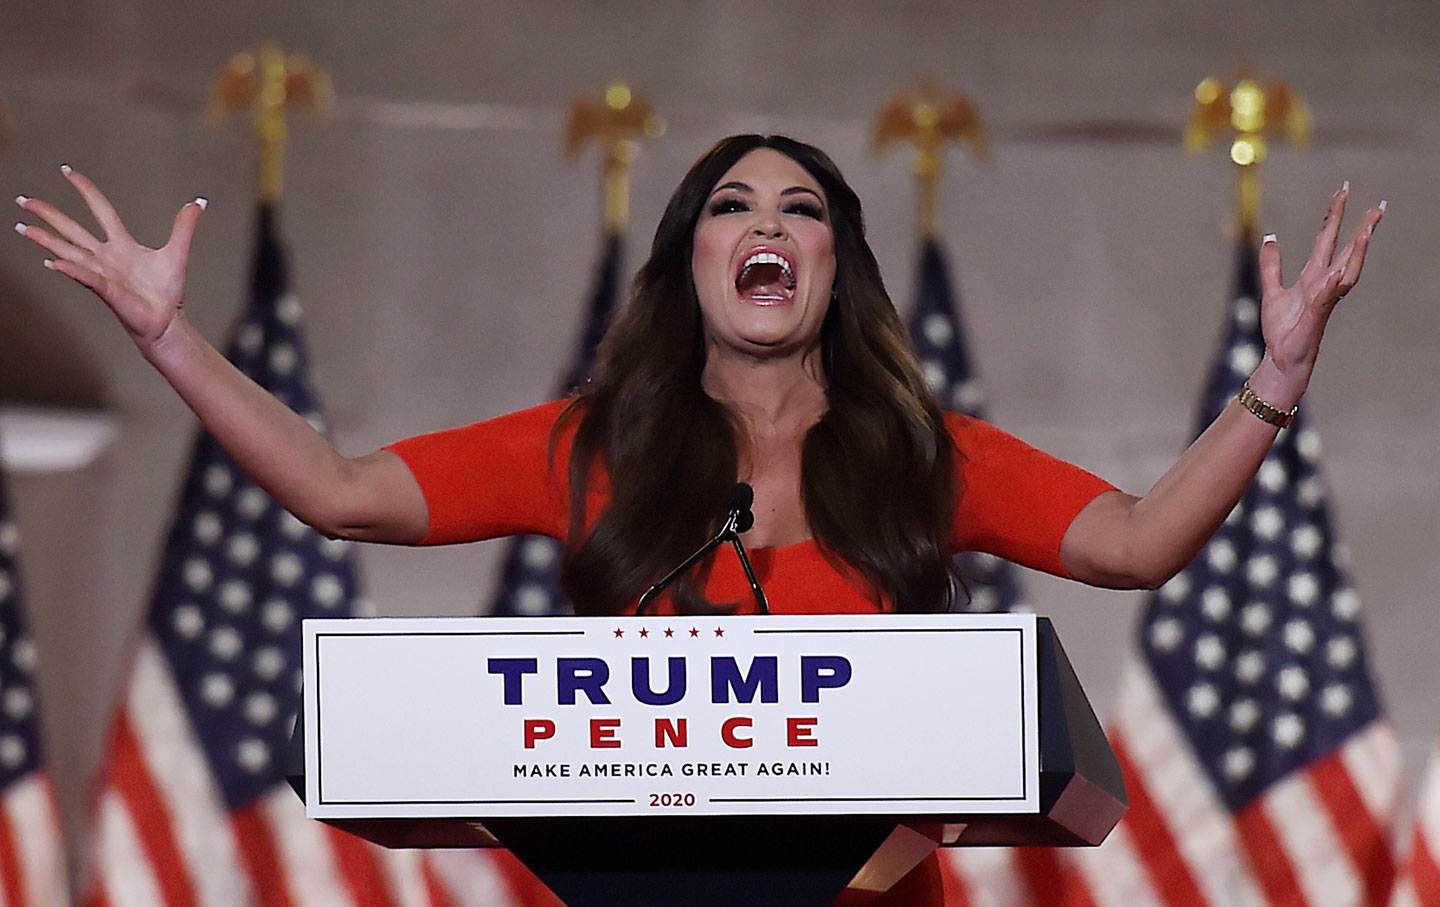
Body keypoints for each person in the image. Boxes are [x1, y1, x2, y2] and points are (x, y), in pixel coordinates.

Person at [14, 134, 1382, 903]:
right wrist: (169, 338)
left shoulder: (923, 453)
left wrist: (1274, 382)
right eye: (731, 205)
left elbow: (1138, 545)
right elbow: (337, 490)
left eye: (801, 208)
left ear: (834, 263)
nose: (765, 222)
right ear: (693, 260)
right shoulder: (591, 448)